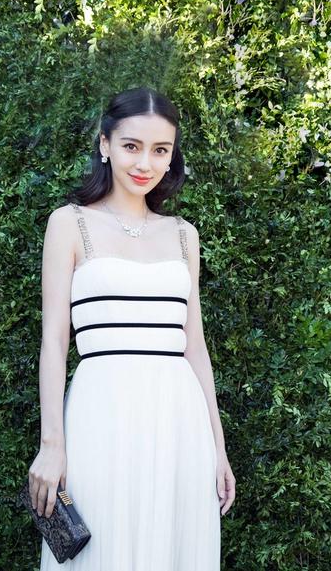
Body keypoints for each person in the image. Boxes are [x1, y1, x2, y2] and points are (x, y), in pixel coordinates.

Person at [28, 87, 235, 570]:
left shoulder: (184, 234)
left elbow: (195, 348)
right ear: (105, 144)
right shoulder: (69, 223)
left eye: (160, 150)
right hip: (100, 416)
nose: (145, 163)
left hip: (180, 423)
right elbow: (54, 342)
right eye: (131, 146)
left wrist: (218, 448)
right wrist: (51, 445)